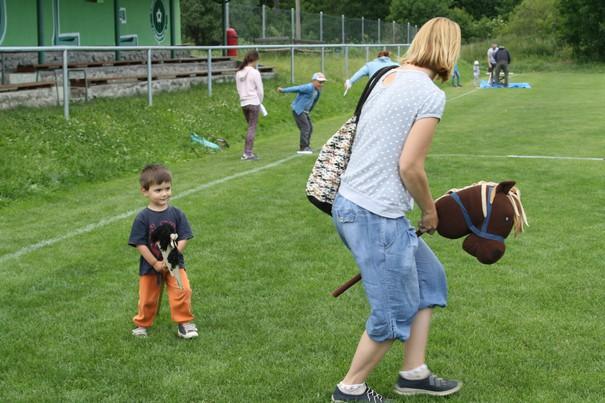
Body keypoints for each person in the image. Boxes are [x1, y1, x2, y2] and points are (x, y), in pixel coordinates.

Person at [330, 17, 463, 402]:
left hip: (353, 204)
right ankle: (350, 389)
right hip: (373, 214)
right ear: (449, 50)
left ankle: (413, 372)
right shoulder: (429, 93)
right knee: (393, 312)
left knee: (428, 279)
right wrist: (429, 211)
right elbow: (410, 166)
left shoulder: (387, 75)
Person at [128, 164, 198, 339]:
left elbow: (184, 237)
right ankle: (142, 324)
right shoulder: (143, 218)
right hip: (151, 265)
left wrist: (171, 257)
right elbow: (140, 243)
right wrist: (155, 263)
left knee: (183, 291)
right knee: (147, 298)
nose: (165, 193)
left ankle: (184, 324)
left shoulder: (177, 214)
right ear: (145, 191)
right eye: (158, 190)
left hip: (174, 262)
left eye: (167, 188)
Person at [277, 72, 327, 154]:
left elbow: (313, 102)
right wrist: (283, 90)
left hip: (305, 111)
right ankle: (303, 147)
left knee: (310, 128)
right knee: (306, 127)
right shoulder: (308, 87)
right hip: (298, 110)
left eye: (323, 82)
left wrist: (308, 111)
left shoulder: (317, 92)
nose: (321, 84)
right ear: (313, 81)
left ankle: (307, 145)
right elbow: (296, 88)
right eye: (319, 82)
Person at [235, 50, 264, 161]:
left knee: (250, 127)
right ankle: (247, 153)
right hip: (254, 102)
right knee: (252, 127)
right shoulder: (255, 72)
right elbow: (260, 90)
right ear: (255, 60)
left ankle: (248, 151)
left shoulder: (238, 72)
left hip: (244, 102)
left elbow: (238, 89)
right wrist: (260, 102)